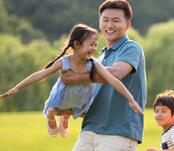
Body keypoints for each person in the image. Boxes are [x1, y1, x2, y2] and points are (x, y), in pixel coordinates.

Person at [52, 0, 147, 151]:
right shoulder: (98, 53)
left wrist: (76, 77)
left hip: (120, 133)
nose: (109, 25)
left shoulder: (131, 48)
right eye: (105, 20)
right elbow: (88, 95)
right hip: (91, 128)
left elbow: (115, 74)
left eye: (116, 20)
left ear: (128, 24)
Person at [0, 23, 142, 138]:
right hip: (63, 97)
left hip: (79, 99)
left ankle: (66, 118)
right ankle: (51, 118)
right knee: (54, 110)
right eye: (91, 44)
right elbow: (41, 74)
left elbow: (113, 80)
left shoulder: (93, 63)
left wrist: (131, 99)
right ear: (77, 44)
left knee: (74, 112)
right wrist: (17, 88)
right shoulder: (64, 62)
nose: (94, 48)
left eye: (95, 45)